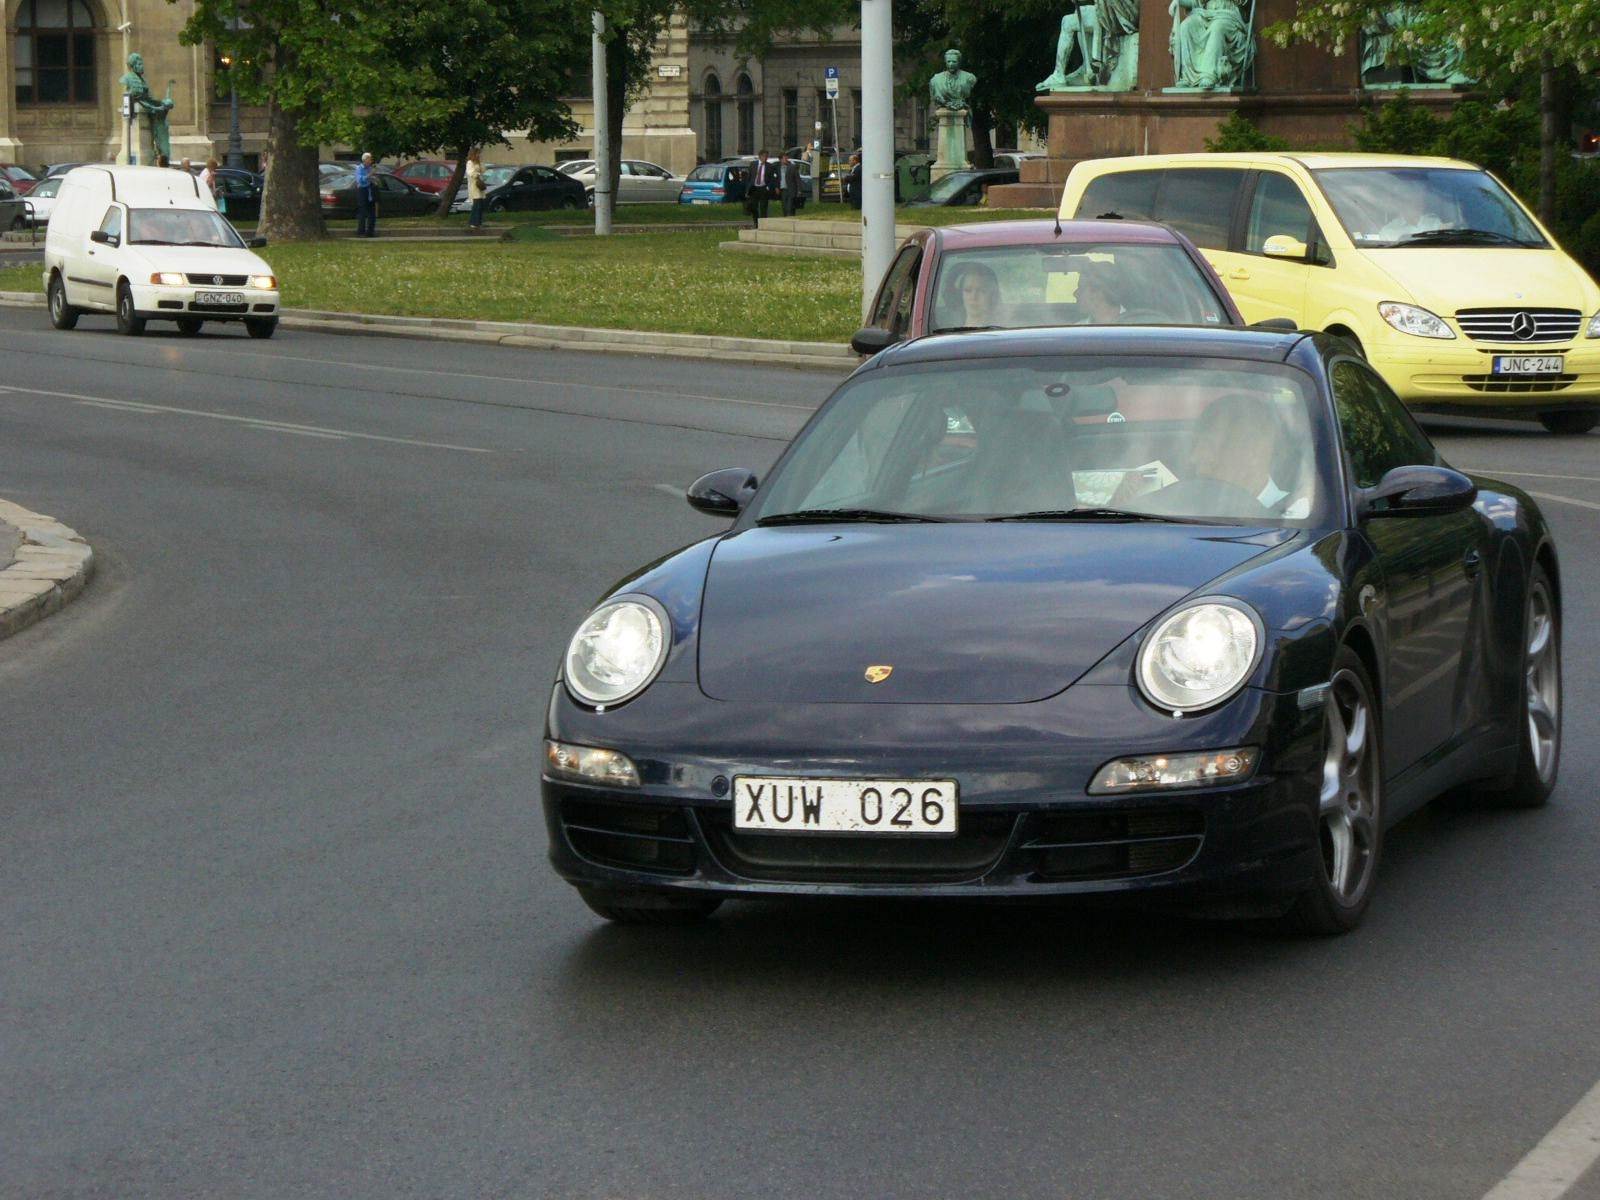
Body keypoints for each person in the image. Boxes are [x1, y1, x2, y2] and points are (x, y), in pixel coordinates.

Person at [1169, 0, 1255, 90]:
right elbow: (1196, 2)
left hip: (1227, 15)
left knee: (1217, 28)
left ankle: (1209, 75)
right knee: (1186, 26)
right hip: (1206, 13)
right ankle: (1188, 78)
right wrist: (1179, 2)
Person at [119, 52, 174, 163]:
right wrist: (157, 107)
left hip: (146, 109)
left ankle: (161, 152)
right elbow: (139, 98)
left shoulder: (144, 81)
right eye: (139, 64)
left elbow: (149, 99)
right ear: (133, 66)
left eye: (142, 63)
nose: (142, 66)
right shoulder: (127, 78)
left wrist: (163, 103)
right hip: (139, 109)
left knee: (163, 123)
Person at [745, 149, 776, 228]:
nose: (765, 158)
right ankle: (756, 223)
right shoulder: (753, 164)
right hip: (754, 188)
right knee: (754, 207)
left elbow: (771, 178)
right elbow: (749, 177)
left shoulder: (770, 166)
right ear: (760, 157)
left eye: (766, 157)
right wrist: (748, 190)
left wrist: (768, 187)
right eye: (764, 156)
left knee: (763, 207)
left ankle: (763, 224)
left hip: (763, 188)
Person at [355, 152, 378, 238]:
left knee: (372, 212)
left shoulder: (369, 168)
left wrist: (374, 180)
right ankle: (361, 232)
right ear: (365, 160)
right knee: (363, 212)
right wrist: (370, 175)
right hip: (363, 190)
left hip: (370, 190)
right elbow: (360, 180)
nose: (371, 161)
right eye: (369, 159)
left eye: (371, 159)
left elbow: (370, 178)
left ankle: (370, 232)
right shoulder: (359, 168)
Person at [465, 147, 487, 230]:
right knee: (476, 204)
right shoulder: (470, 163)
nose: (479, 155)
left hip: (480, 185)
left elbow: (484, 170)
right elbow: (471, 172)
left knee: (480, 204)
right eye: (477, 153)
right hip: (474, 185)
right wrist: (477, 173)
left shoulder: (479, 162)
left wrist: (480, 163)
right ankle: (473, 222)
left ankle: (479, 222)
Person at [778, 152, 802, 217]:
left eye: (786, 158)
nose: (785, 160)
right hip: (783, 190)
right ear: (780, 160)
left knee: (790, 207)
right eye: (784, 158)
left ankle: (790, 218)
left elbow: (797, 179)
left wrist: (799, 190)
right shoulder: (778, 167)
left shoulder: (792, 167)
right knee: (784, 207)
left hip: (791, 189)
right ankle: (785, 219)